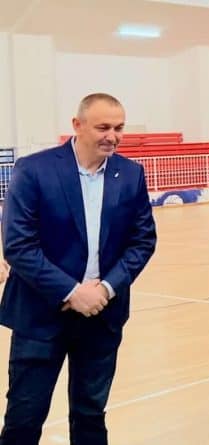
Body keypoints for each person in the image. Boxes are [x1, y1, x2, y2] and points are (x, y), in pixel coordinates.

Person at [0, 93, 157, 445]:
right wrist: (72, 292)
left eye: (119, 128)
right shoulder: (34, 169)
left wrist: (105, 289)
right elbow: (19, 245)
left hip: (102, 315)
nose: (112, 136)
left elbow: (143, 240)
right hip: (40, 315)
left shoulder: (130, 174)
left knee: (90, 416)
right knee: (24, 418)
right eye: (103, 127)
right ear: (77, 125)